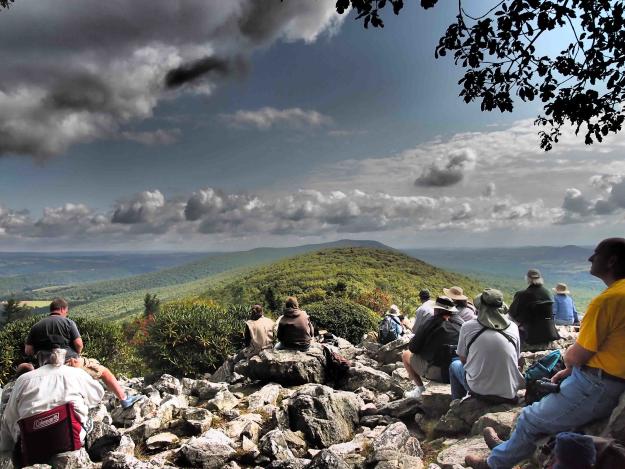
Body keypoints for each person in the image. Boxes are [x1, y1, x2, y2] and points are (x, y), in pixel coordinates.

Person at [466, 238, 625, 469]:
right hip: (608, 378)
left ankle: (494, 464)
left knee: (530, 417)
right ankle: (510, 448)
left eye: (596, 254)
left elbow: (578, 354)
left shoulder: (608, 301)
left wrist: (570, 362)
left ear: (611, 261)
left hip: (597, 383)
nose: (591, 258)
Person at [24, 298, 141, 409]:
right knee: (104, 372)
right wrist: (78, 354)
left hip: (45, 366)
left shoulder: (36, 327)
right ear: (63, 309)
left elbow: (28, 350)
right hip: (70, 361)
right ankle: (124, 399)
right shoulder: (68, 322)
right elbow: (79, 344)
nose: (66, 313)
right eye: (66, 311)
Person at [0, 348, 104, 455]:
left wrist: (6, 449)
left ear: (39, 360)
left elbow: (8, 418)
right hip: (70, 441)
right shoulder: (76, 373)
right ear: (65, 358)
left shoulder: (23, 380)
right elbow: (98, 395)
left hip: (32, 448)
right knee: (88, 414)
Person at [449, 288, 523, 401]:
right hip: (508, 390)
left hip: (479, 389)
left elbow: (463, 360)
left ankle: (456, 405)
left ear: (480, 307)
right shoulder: (513, 327)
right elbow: (516, 359)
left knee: (454, 365)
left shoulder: (468, 327)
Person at [402, 296, 463, 398]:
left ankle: (420, 389)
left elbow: (413, 347)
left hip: (443, 373)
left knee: (406, 355)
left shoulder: (432, 322)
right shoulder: (460, 322)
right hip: (459, 371)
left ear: (438, 310)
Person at [508, 268, 559, 344]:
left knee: (509, 317)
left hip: (530, 333)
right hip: (549, 332)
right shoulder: (548, 293)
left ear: (527, 279)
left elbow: (512, 313)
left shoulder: (522, 294)